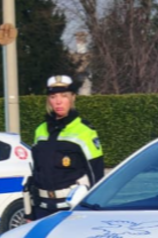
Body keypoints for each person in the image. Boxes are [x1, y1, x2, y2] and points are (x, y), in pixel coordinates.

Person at [26, 75, 105, 220]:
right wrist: (30, 212)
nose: (58, 102)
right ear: (48, 100)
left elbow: (97, 176)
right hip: (42, 209)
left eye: (64, 96)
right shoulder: (40, 131)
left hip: (71, 210)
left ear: (73, 98)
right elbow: (36, 173)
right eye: (53, 96)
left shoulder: (85, 132)